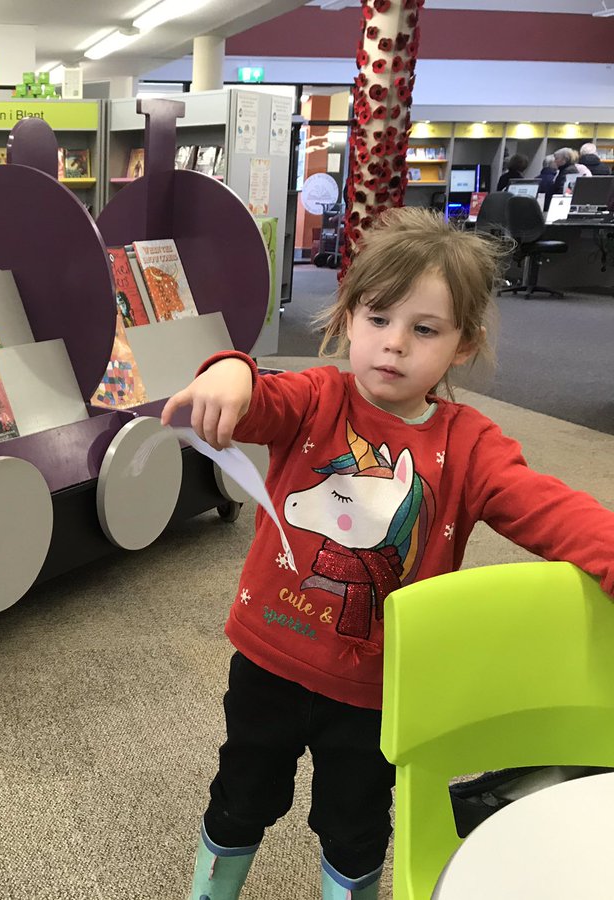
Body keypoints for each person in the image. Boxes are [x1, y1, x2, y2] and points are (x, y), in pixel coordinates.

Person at [161, 206, 614, 900]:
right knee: (240, 795)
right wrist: (228, 370)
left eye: (423, 329)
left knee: (357, 824)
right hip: (269, 660)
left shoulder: (469, 444)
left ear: (463, 344)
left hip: (379, 691)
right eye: (377, 319)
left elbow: (546, 509)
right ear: (346, 317)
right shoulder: (318, 397)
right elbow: (258, 396)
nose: (393, 345)